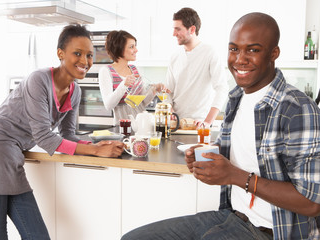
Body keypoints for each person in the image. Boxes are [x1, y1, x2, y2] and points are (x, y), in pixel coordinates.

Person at [121, 12, 320, 240]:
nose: (240, 59)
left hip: (272, 231)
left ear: (274, 53)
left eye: (253, 50)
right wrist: (204, 155)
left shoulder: (297, 109)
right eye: (234, 49)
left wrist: (236, 176)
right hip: (232, 217)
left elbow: (312, 202)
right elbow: (238, 152)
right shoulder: (237, 98)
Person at [0, 24, 124, 240]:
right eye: (77, 53)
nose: (85, 61)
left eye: (89, 55)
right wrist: (96, 152)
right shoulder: (38, 80)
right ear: (60, 54)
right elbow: (43, 136)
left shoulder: (75, 91)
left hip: (13, 157)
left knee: (38, 236)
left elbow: (67, 134)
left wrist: (97, 146)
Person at [166, 7, 229, 127]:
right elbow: (168, 92)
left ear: (192, 29)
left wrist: (207, 122)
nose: (174, 34)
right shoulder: (174, 57)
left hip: (200, 124)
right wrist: (171, 112)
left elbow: (222, 88)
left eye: (178, 29)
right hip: (177, 124)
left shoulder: (210, 52)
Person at [99, 30, 168, 125]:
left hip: (142, 125)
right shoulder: (106, 71)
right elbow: (108, 105)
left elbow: (143, 102)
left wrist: (154, 89)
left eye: (135, 46)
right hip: (123, 126)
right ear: (119, 48)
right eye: (132, 47)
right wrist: (124, 85)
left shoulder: (135, 69)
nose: (136, 50)